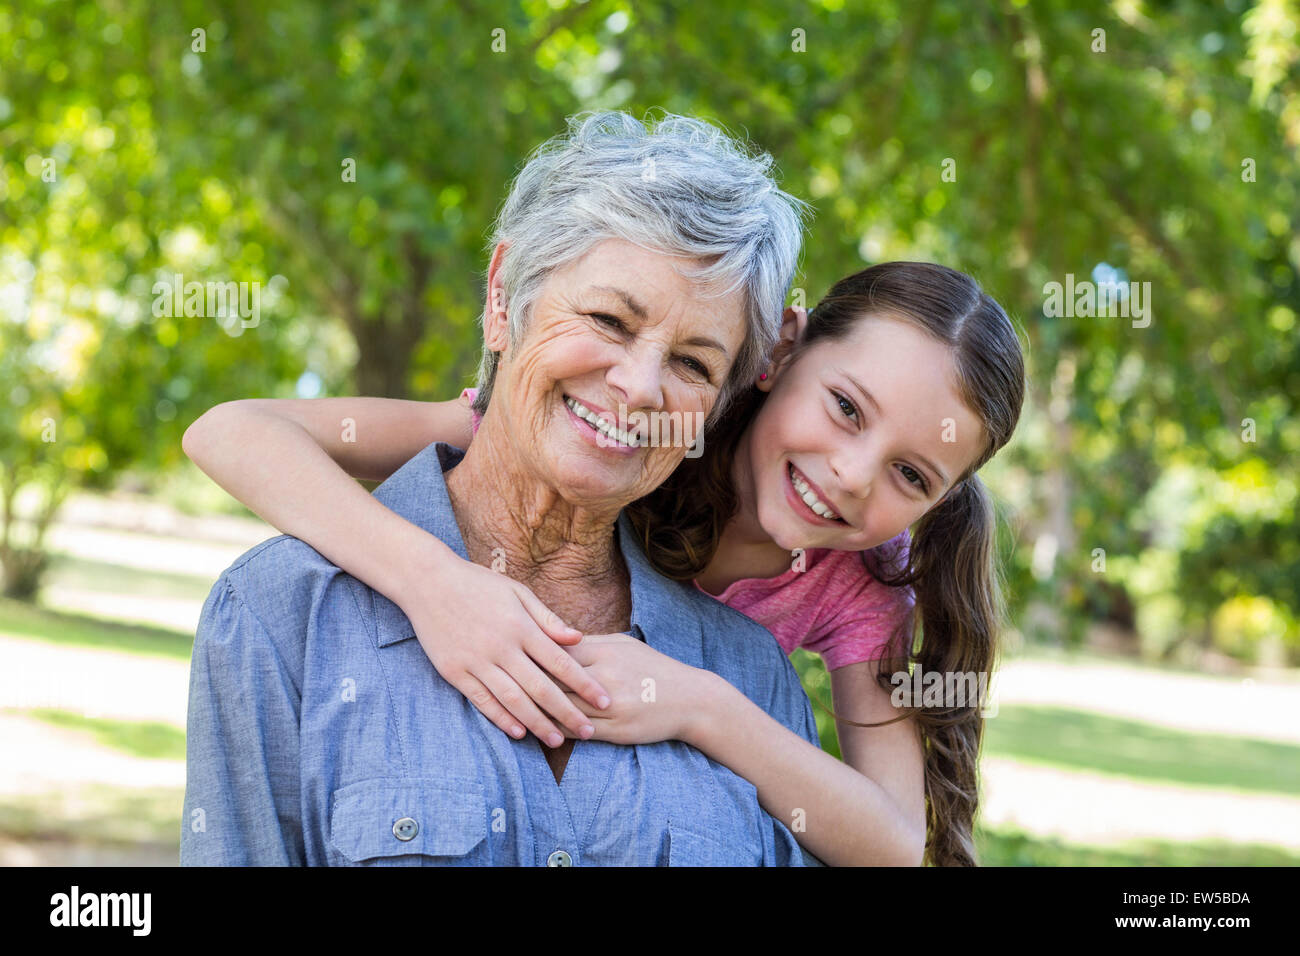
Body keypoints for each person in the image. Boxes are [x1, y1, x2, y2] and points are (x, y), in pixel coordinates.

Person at [181, 109, 821, 866]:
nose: (640, 386)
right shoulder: (282, 613)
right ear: (500, 300)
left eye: (693, 364)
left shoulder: (749, 681)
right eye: (610, 319)